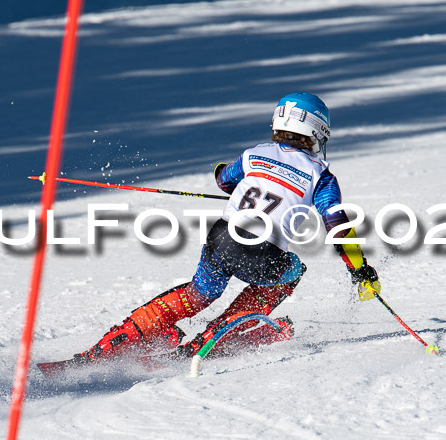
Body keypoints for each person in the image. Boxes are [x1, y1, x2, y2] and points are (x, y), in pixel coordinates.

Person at [68, 92, 381, 367]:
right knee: (293, 270)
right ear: (314, 133)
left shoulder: (254, 153)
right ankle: (215, 337)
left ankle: (115, 342)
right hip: (265, 254)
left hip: (221, 238)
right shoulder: (321, 176)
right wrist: (360, 269)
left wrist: (233, 174)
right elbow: (338, 228)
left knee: (199, 293)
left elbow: (224, 180)